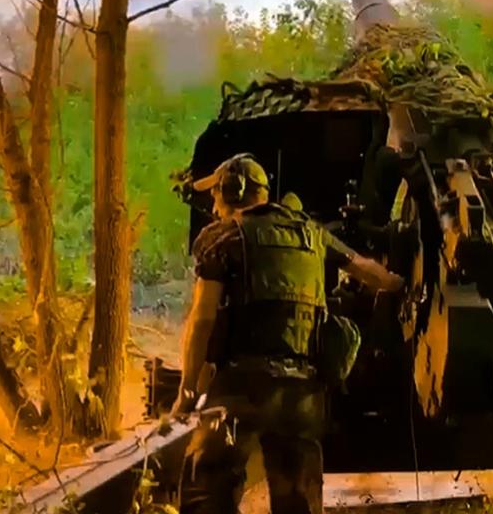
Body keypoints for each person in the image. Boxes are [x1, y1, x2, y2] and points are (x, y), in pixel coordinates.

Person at [172, 153, 404, 514]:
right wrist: (403, 284)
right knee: (298, 500)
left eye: (215, 193)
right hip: (302, 396)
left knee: (206, 488)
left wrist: (187, 391)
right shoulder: (310, 233)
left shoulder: (220, 237)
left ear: (233, 191)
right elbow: (368, 271)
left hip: (242, 389)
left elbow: (202, 319)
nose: (213, 205)